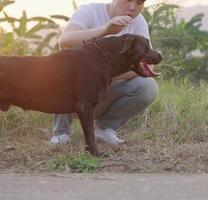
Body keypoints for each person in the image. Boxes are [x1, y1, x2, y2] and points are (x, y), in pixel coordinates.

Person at [50, 0, 158, 145]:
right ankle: (61, 133)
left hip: (104, 92)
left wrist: (104, 75)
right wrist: (106, 30)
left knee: (147, 86)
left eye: (139, 3)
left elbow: (146, 66)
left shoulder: (139, 22)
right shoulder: (90, 11)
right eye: (127, 0)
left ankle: (104, 128)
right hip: (73, 94)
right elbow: (65, 42)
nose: (132, 7)